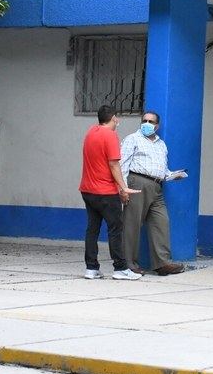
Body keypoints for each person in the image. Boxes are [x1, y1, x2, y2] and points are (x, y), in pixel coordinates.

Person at [79, 104, 141, 280]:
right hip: (105, 191)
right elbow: (114, 163)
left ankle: (91, 268)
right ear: (114, 118)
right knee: (115, 229)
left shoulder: (91, 132)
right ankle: (120, 268)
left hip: (87, 189)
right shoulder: (111, 135)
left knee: (92, 229)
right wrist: (123, 187)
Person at [120, 111, 186, 276]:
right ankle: (129, 264)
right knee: (132, 224)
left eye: (151, 122)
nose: (147, 124)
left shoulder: (161, 144)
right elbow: (122, 165)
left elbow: (162, 170)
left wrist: (172, 175)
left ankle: (162, 263)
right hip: (137, 182)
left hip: (157, 186)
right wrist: (123, 188)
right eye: (145, 121)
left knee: (161, 222)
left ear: (157, 126)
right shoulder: (132, 139)